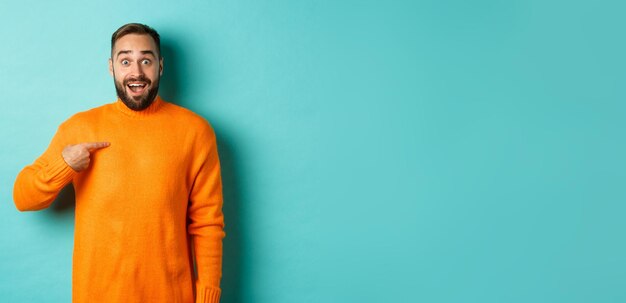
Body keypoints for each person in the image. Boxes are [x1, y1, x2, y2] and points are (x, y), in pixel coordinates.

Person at [13, 23, 225, 303]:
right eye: (125, 60)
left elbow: (207, 224)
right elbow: (23, 198)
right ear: (111, 67)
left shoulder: (195, 132)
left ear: (160, 66)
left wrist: (208, 296)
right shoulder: (80, 128)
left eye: (146, 60)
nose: (136, 72)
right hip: (97, 295)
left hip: (171, 296)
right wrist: (64, 166)